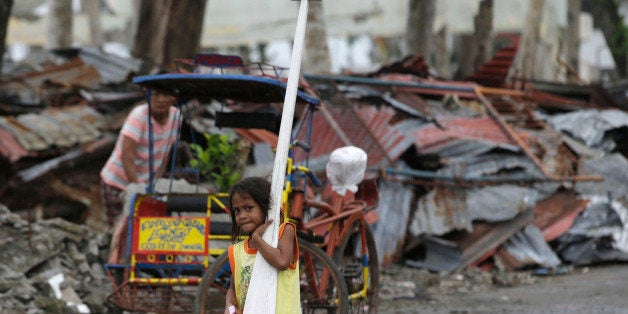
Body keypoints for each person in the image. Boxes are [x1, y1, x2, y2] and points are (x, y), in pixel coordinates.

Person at [100, 88, 179, 227]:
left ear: (174, 97)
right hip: (118, 183)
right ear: (149, 95)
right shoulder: (139, 116)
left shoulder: (176, 116)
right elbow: (127, 156)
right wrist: (136, 189)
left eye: (166, 94)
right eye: (156, 94)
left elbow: (165, 153)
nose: (160, 99)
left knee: (144, 229)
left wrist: (157, 184)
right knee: (121, 230)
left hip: (145, 185)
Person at [225, 177, 300, 314]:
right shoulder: (237, 251)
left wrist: (257, 240)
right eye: (237, 211)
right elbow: (232, 290)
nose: (242, 215)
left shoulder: (284, 231)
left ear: (265, 206)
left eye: (248, 208)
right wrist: (230, 306)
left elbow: (282, 262)